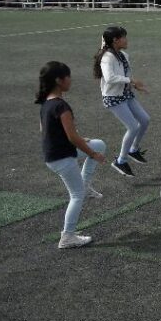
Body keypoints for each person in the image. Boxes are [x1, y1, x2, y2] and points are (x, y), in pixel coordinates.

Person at [37, 61, 107, 249]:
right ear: (60, 80)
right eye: (68, 77)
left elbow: (47, 131)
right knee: (77, 195)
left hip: (54, 153)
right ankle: (67, 236)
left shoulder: (47, 103)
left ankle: (86, 184)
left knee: (99, 144)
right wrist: (92, 153)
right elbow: (72, 136)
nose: (71, 80)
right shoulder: (61, 106)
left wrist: (82, 141)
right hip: (61, 157)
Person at [94, 26, 149, 178]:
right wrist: (130, 80)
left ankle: (133, 150)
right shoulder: (107, 57)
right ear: (115, 40)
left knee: (145, 120)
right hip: (113, 97)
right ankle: (120, 161)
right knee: (132, 127)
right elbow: (110, 78)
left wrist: (135, 85)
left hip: (126, 94)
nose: (126, 40)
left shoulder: (123, 54)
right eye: (123, 37)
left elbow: (125, 73)